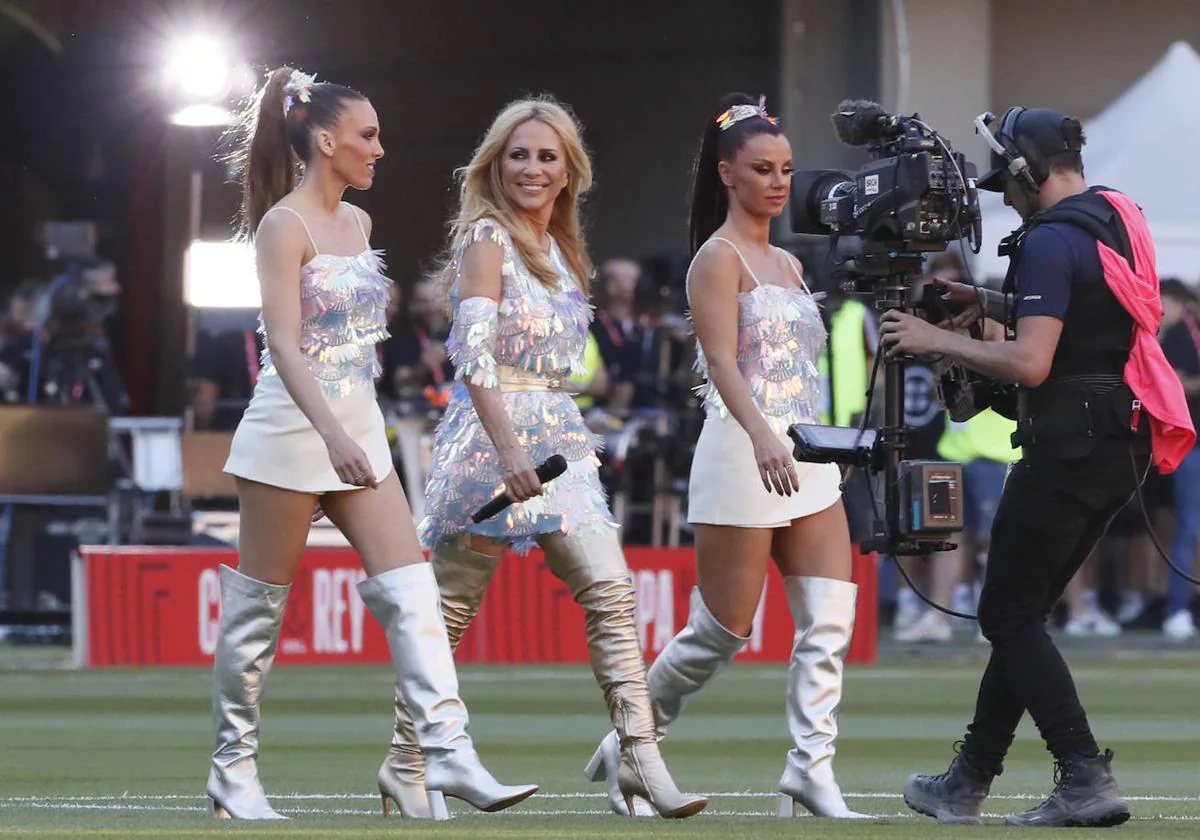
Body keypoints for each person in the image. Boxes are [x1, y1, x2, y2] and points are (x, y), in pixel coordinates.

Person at [210, 67, 536, 821]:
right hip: (292, 431)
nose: (380, 149)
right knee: (259, 610)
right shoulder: (282, 225)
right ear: (326, 142)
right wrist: (332, 435)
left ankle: (446, 754)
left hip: (357, 427)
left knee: (414, 591)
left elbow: (356, 346)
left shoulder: (357, 226)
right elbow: (284, 348)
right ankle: (232, 771)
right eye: (368, 135)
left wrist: (360, 428)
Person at [380, 96, 707, 820]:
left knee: (611, 590)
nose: (532, 168)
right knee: (451, 612)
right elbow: (472, 358)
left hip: (561, 436)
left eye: (546, 156)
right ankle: (406, 763)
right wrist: (508, 450)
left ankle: (639, 756)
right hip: (489, 440)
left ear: (569, 172)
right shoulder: (486, 240)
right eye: (519, 155)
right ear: (496, 165)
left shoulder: (564, 251)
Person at [884, 107, 1194, 827]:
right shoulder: (1116, 215)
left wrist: (936, 336)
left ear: (1029, 169)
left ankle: (1083, 774)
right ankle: (967, 781)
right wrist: (985, 300)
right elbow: (1086, 314)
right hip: (1123, 442)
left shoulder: (1051, 239)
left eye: (1009, 181)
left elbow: (1031, 359)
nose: (1004, 196)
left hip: (1068, 448)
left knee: (1007, 614)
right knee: (1021, 614)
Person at [588, 93, 868, 820]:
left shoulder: (788, 262)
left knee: (830, 617)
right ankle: (633, 742)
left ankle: (811, 771)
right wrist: (762, 435)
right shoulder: (717, 258)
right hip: (744, 450)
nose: (779, 182)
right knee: (719, 632)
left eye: (785, 169)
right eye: (762, 169)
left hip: (807, 452)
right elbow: (719, 361)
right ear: (727, 174)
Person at [1158, 278, 1200, 640]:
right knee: (1188, 528)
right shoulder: (1176, 335)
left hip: (1189, 447)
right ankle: (1178, 609)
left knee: (1187, 528)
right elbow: (1176, 384)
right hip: (1189, 448)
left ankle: (1179, 609)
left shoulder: (1181, 335)